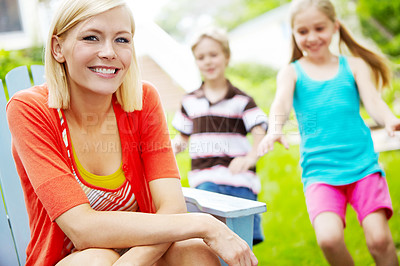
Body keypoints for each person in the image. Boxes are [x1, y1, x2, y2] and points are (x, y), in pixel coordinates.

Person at [6, 1, 259, 265]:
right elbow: (82, 228)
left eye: (122, 40)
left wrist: (133, 260)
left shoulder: (143, 99)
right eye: (91, 37)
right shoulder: (30, 110)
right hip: (75, 258)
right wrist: (205, 224)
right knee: (97, 259)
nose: (109, 52)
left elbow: (171, 207)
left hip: (146, 249)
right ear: (58, 48)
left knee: (193, 250)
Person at [257, 0, 399, 265]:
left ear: (334, 27)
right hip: (320, 173)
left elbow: (374, 102)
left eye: (319, 28)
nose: (311, 37)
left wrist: (391, 120)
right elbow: (281, 102)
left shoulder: (353, 66)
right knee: (329, 239)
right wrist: (275, 129)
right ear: (293, 33)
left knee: (379, 239)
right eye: (302, 31)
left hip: (363, 167)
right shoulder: (291, 72)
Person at [171, 27, 268, 245]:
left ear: (226, 57)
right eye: (201, 57)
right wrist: (165, 152)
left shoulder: (241, 100)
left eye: (213, 55)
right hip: (205, 181)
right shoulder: (190, 101)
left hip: (240, 182)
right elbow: (182, 139)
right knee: (211, 241)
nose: (208, 61)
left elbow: (260, 129)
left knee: (242, 242)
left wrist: (251, 157)